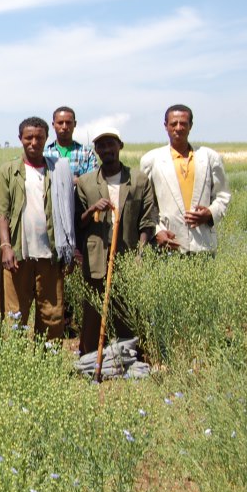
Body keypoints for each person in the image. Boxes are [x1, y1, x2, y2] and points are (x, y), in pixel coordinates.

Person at [0, 116, 76, 340]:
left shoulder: (59, 170)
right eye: (28, 137)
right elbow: (2, 213)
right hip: (19, 255)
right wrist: (6, 246)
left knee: (52, 315)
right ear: (20, 139)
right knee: (15, 315)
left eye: (39, 137)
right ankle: (16, 364)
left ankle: (46, 362)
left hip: (51, 254)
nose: (34, 142)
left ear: (46, 138)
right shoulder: (8, 171)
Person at [76, 127, 158, 353]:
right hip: (95, 258)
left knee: (126, 311)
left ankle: (128, 356)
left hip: (127, 256)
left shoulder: (139, 180)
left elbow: (148, 220)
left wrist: (139, 254)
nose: (106, 149)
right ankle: (90, 358)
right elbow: (78, 222)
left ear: (120, 146)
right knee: (93, 311)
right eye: (101, 145)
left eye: (111, 144)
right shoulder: (86, 182)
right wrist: (92, 208)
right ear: (96, 151)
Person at [140, 104, 231, 254]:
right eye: (173, 123)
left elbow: (223, 195)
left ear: (191, 126)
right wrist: (157, 232)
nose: (178, 128)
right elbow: (145, 204)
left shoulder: (209, 157)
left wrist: (210, 213)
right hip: (168, 245)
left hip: (203, 245)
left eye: (183, 123)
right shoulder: (151, 160)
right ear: (165, 126)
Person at [43, 106, 97, 184]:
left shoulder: (86, 152)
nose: (64, 127)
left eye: (68, 122)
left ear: (74, 124)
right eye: (60, 123)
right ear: (53, 125)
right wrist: (76, 180)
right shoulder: (45, 153)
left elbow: (93, 179)